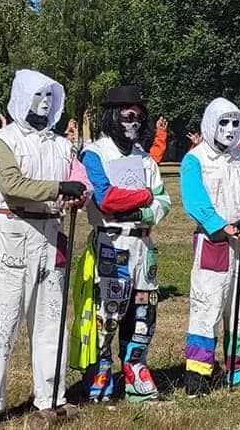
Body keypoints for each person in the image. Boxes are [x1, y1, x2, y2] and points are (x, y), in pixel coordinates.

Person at [0, 69, 91, 428]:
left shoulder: (61, 144)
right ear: (22, 98)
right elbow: (12, 184)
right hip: (13, 232)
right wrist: (59, 188)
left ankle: (51, 397)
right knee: (4, 320)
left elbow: (80, 178)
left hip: (51, 232)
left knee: (52, 320)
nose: (43, 105)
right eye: (37, 97)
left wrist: (80, 192)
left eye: (49, 99)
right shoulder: (3, 141)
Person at [72, 85, 171, 403]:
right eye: (128, 115)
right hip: (111, 245)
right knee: (108, 315)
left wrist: (141, 209)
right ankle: (99, 377)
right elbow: (105, 198)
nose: (134, 122)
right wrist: (143, 197)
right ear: (113, 116)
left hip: (144, 245)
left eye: (140, 116)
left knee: (144, 314)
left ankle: (136, 371)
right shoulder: (95, 154)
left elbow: (164, 201)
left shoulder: (145, 158)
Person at [179, 97, 240, 397]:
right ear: (211, 123)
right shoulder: (195, 159)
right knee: (207, 305)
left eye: (234, 123)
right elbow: (194, 199)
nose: (229, 129)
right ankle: (198, 372)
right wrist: (221, 225)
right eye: (223, 122)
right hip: (213, 242)